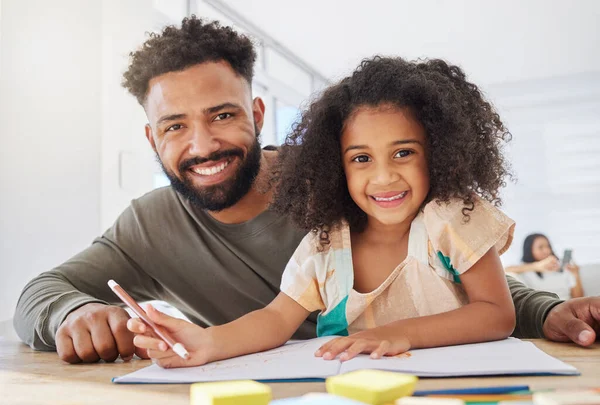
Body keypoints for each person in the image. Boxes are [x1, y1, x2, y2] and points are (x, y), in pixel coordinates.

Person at [13, 16, 599, 365]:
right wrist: (79, 311)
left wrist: (546, 311)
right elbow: (42, 291)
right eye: (175, 126)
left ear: (258, 112)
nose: (202, 144)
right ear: (151, 138)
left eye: (221, 115)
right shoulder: (149, 226)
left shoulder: (342, 184)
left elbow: (452, 276)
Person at [123, 56, 557, 368]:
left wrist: (398, 333)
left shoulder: (452, 218)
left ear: (439, 154)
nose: (384, 178)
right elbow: (275, 320)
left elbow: (497, 314)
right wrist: (206, 342)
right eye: (361, 159)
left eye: (403, 153)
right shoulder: (325, 244)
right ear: (335, 165)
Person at [506, 234, 584, 300]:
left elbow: (578, 298)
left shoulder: (564, 267)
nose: (546, 251)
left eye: (548, 246)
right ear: (530, 250)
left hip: (567, 306)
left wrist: (576, 275)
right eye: (541, 247)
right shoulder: (526, 268)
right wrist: (537, 266)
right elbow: (505, 271)